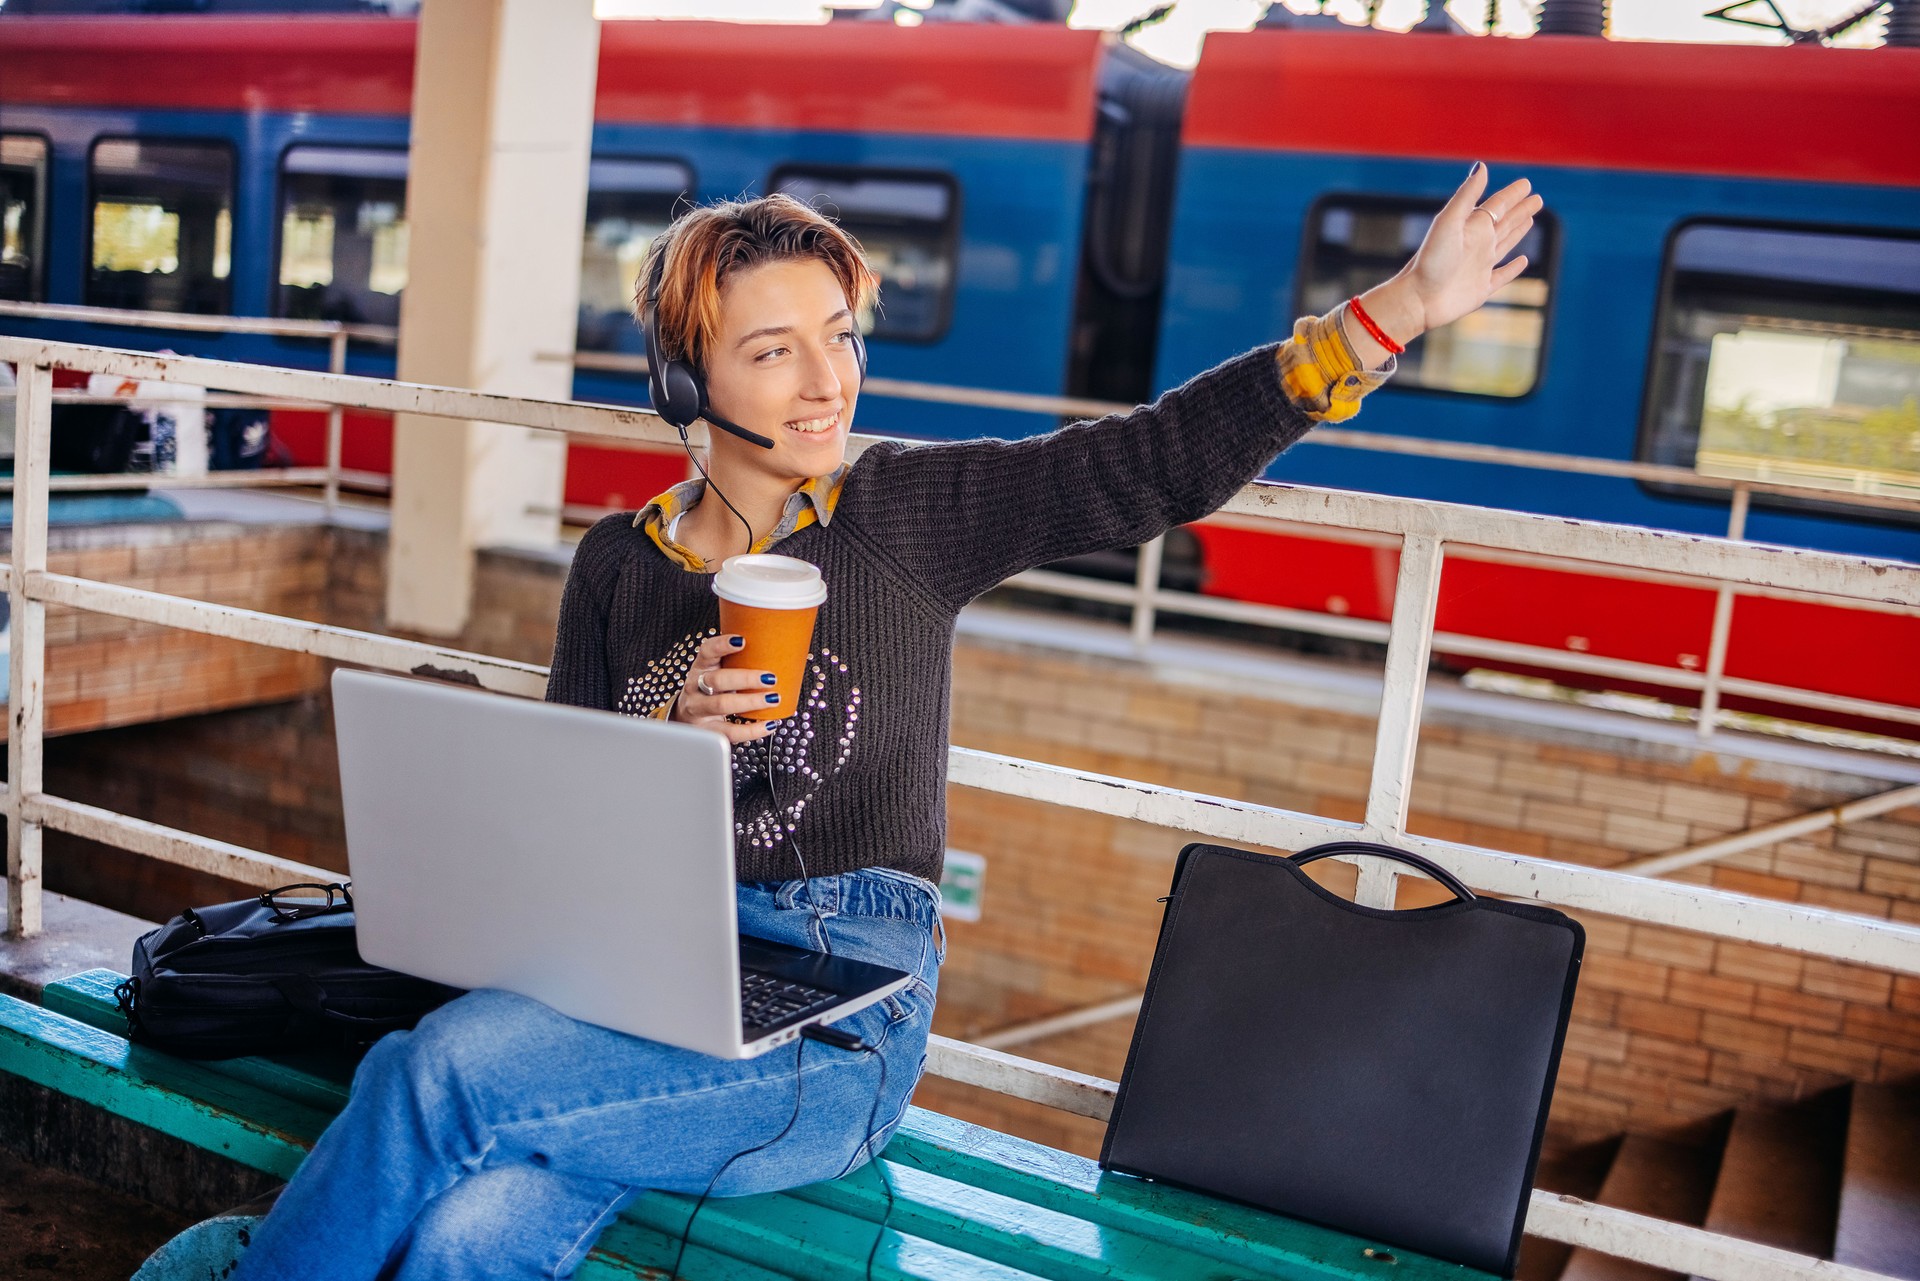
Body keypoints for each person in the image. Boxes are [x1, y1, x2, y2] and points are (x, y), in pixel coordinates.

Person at [229, 162, 1541, 1280]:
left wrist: (1398, 312)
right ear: (686, 380)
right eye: (773, 347)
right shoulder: (615, 569)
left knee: (436, 1075)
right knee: (469, 1232)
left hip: (836, 1026)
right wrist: (661, 727)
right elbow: (565, 833)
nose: (826, 380)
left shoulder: (906, 514)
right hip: (640, 985)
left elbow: (1148, 461)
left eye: (841, 334)